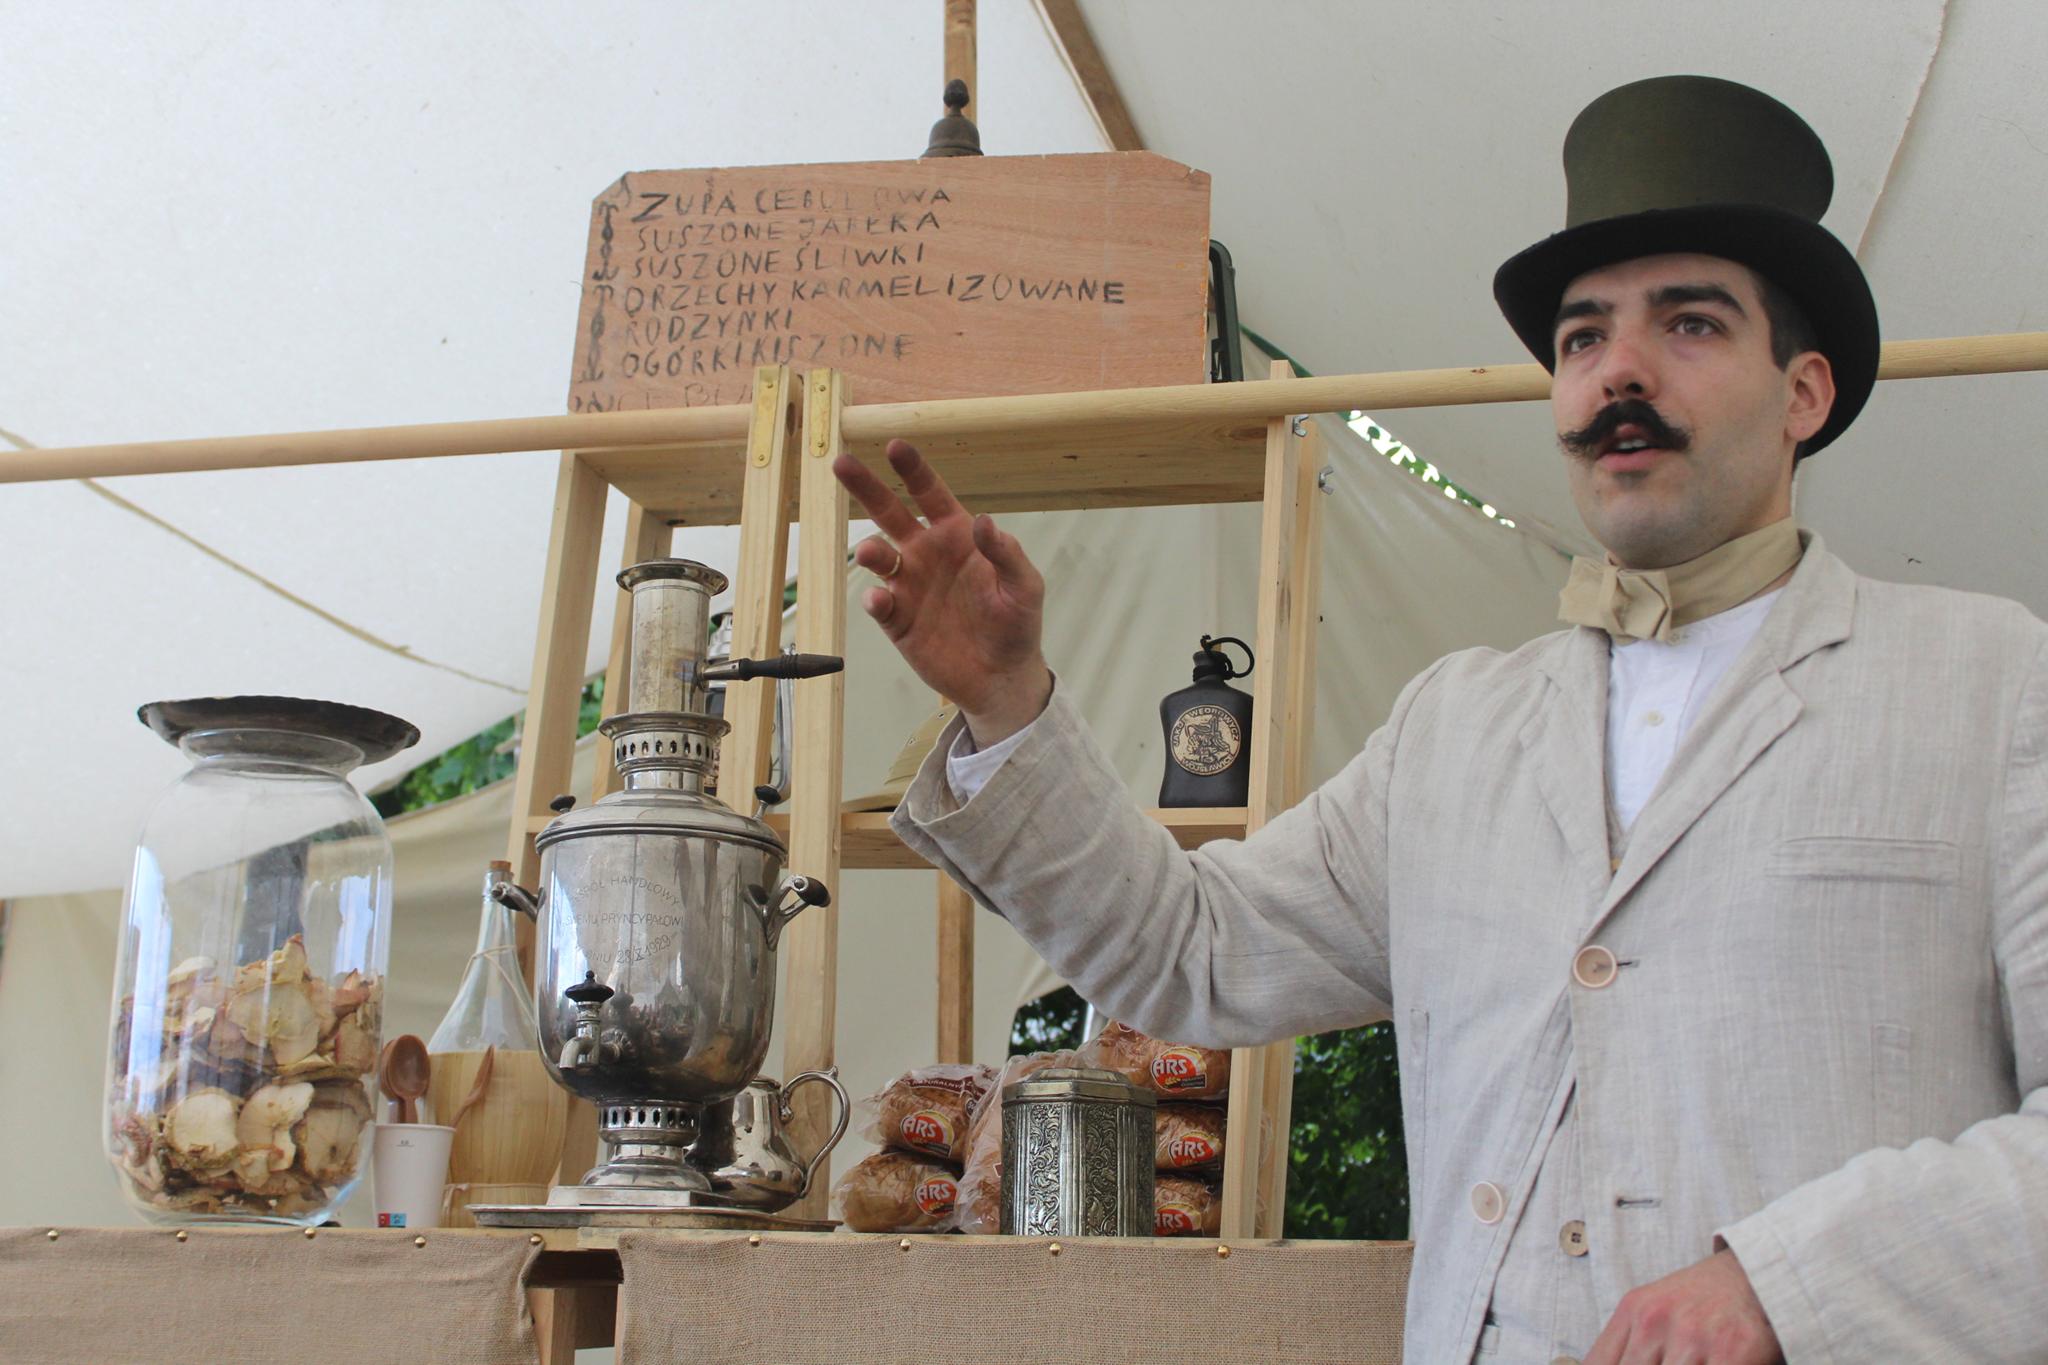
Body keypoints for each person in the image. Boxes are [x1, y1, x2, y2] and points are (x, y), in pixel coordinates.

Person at [831, 75, 2048, 1363]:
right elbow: (1192, 951)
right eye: (1582, 338)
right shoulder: (1458, 727)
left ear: (1804, 394)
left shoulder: (1994, 684)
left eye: (1690, 323)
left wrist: (1787, 1288)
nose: (1620, 370)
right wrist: (1006, 699)